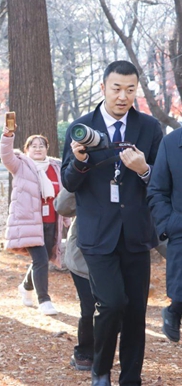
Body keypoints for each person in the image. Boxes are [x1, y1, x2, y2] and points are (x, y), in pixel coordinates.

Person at [61, 60, 162, 386]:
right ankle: (100, 370)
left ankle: (131, 378)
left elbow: (162, 183)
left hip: (136, 234)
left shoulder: (149, 128)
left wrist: (144, 169)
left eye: (130, 90)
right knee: (111, 304)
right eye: (116, 88)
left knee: (135, 312)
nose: (123, 96)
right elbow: (68, 182)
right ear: (103, 87)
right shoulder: (81, 126)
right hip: (97, 235)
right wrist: (79, 162)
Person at [0, 129, 66, 315]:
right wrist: (7, 136)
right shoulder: (20, 165)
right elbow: (5, 155)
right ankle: (44, 300)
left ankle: (26, 286)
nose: (38, 149)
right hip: (29, 223)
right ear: (26, 149)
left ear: (47, 149)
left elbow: (63, 192)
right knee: (40, 259)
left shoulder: (56, 167)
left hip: (51, 221)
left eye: (41, 146)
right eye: (33, 146)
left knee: (42, 260)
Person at [147, 125, 182, 343]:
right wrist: (170, 224)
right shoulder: (171, 142)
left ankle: (174, 310)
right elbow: (157, 189)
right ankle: (175, 310)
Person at [54, 188, 95, 371]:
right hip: (83, 255)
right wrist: (78, 174)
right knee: (90, 307)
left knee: (116, 307)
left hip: (120, 252)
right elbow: (62, 206)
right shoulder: (85, 172)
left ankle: (105, 350)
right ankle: (85, 352)